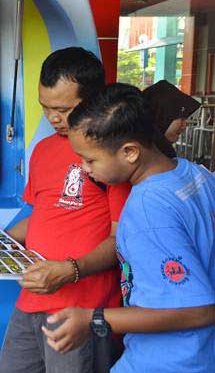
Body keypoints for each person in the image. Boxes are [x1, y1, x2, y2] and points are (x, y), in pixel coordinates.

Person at [43, 83, 214, 373]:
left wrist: (93, 319)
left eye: (90, 159)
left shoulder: (147, 209)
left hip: (169, 362)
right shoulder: (194, 174)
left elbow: (199, 310)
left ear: (131, 152)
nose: (84, 169)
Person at [0, 47, 131, 373]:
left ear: (94, 100)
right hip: (30, 302)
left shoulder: (110, 156)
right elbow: (46, 215)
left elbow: (122, 239)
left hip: (82, 308)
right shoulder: (42, 151)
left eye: (63, 108)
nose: (53, 118)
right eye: (45, 108)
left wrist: (71, 270)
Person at [142, 80, 201, 158]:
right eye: (181, 118)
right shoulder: (143, 158)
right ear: (162, 117)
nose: (184, 125)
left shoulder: (162, 152)